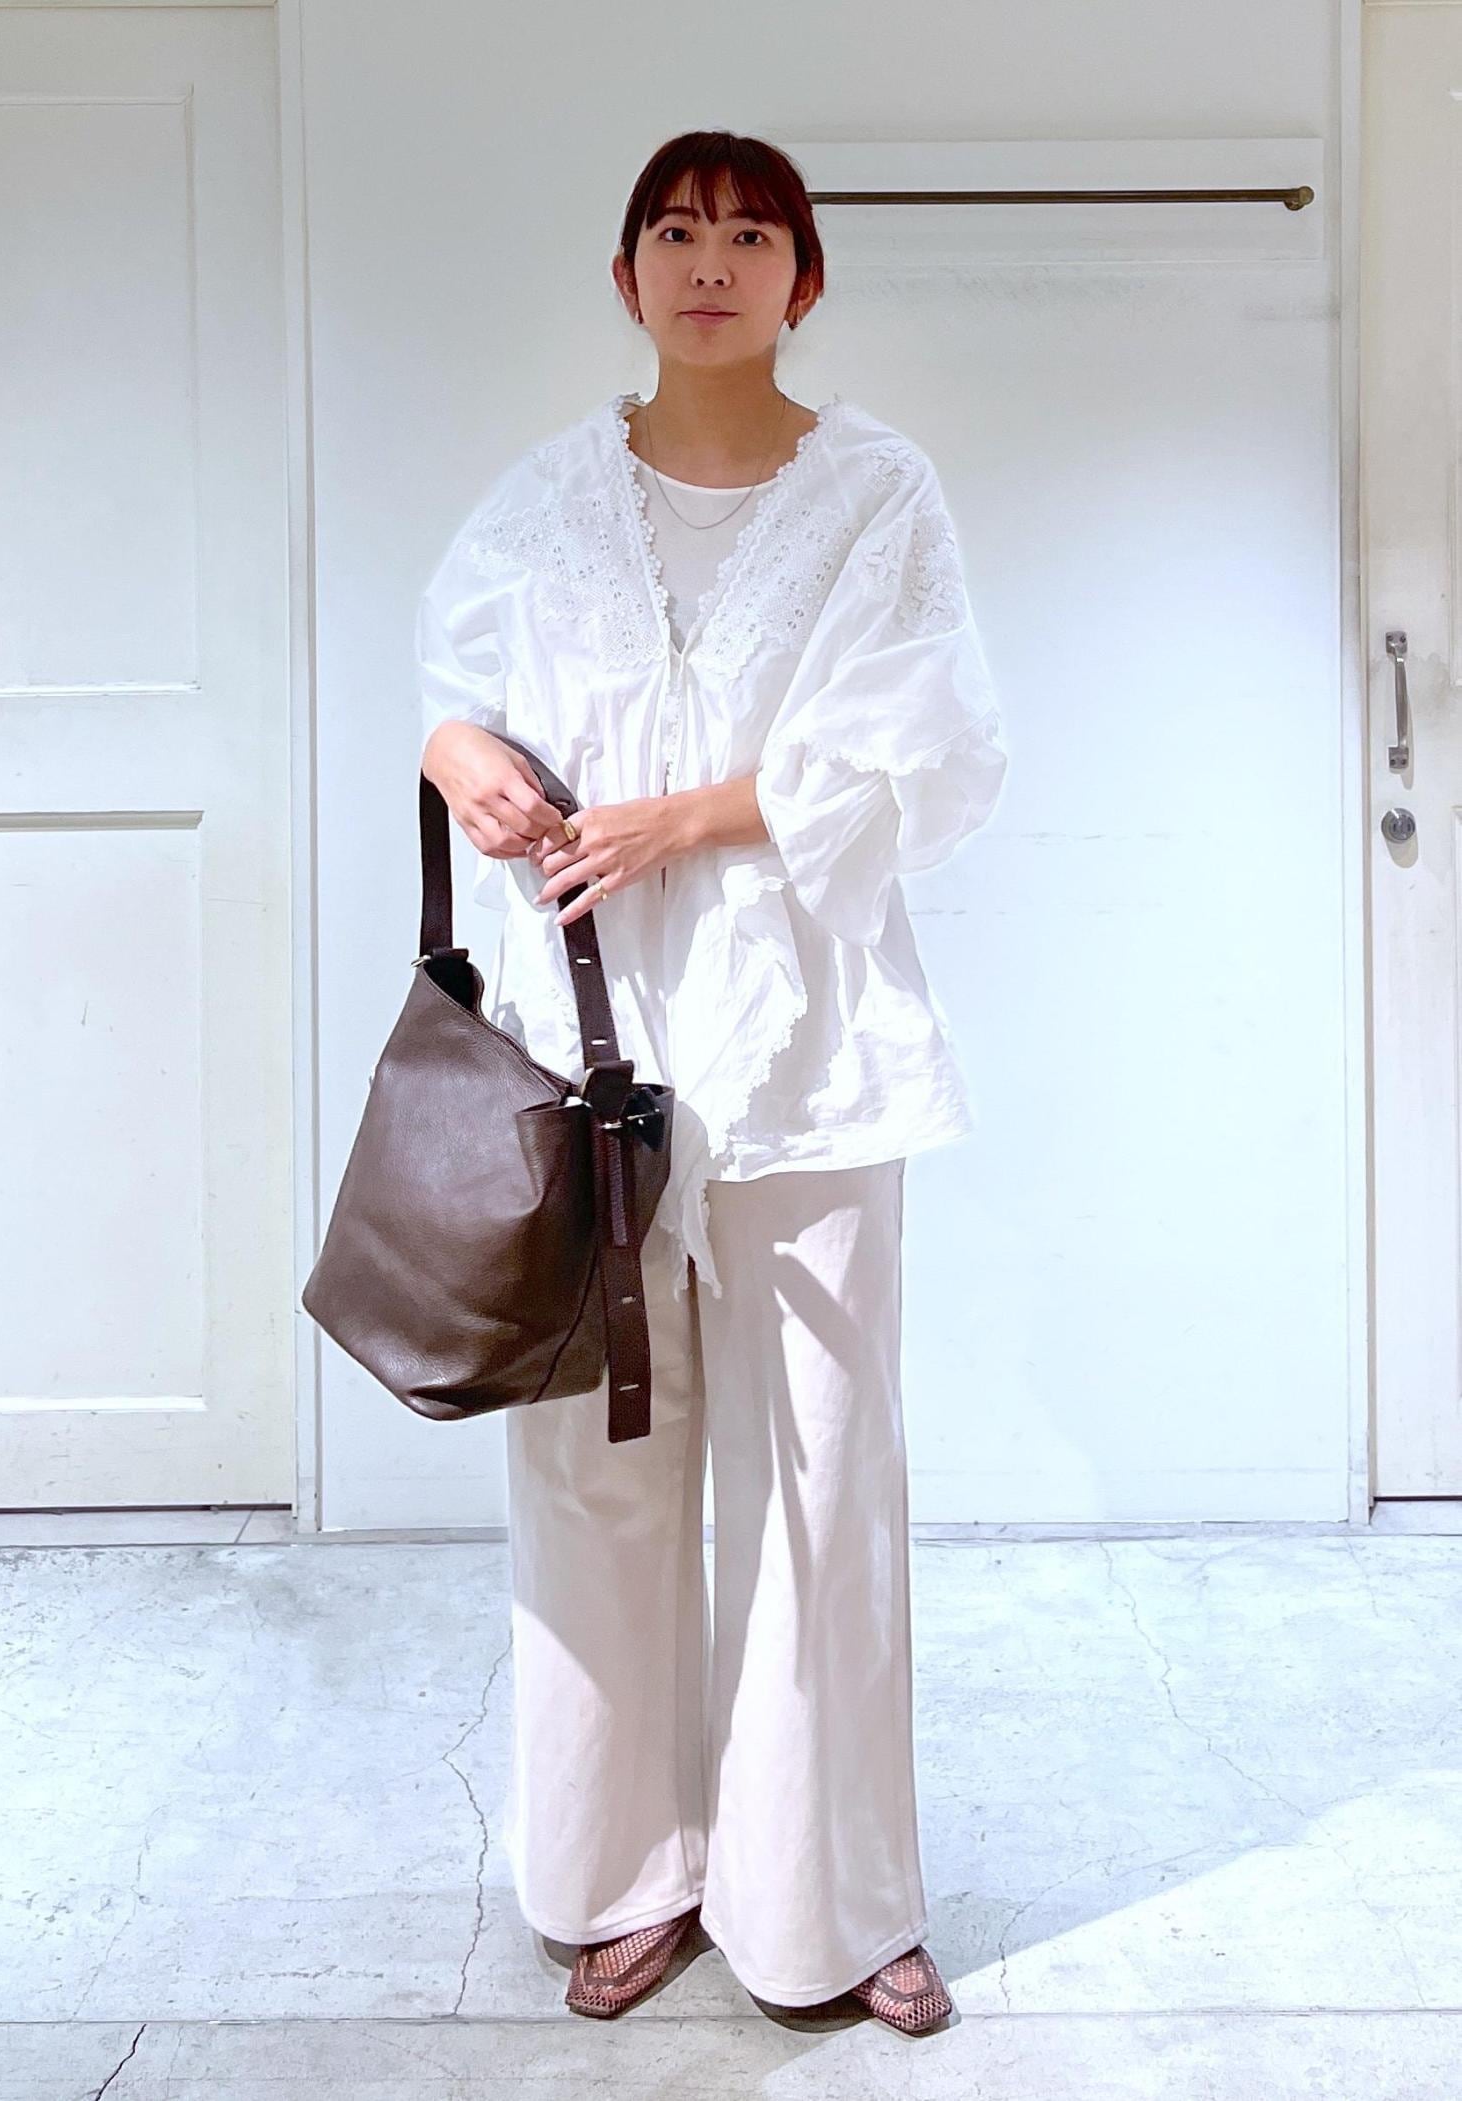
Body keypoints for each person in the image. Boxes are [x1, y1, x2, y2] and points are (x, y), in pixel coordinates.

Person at [417, 130, 1009, 2035]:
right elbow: (453, 690)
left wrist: (681, 817)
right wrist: (460, 760)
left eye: (752, 236)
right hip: (587, 1049)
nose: (710, 262)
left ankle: (830, 1898)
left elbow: (931, 747)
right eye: (675, 231)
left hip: (808, 1038)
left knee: (821, 1466)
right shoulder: (543, 500)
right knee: (591, 1466)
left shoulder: (878, 493)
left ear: (802, 281)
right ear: (625, 275)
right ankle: (622, 1874)